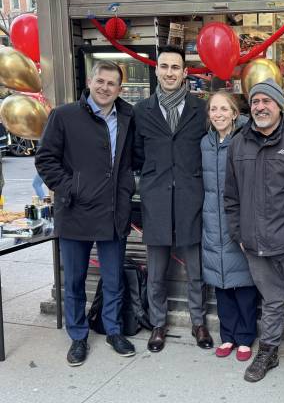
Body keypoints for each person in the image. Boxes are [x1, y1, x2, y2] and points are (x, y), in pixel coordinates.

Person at [35, 60, 136, 366]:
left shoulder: (129, 116)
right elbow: (46, 160)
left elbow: (133, 159)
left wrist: (126, 188)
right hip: (76, 212)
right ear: (91, 82)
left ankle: (114, 330)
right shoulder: (64, 116)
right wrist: (73, 188)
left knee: (113, 278)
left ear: (120, 89)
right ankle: (78, 336)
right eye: (101, 81)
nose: (105, 88)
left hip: (113, 212)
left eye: (112, 84)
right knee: (75, 280)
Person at [224, 78, 284, 387]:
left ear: (280, 105)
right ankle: (268, 352)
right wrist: (240, 233)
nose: (260, 106)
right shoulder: (239, 142)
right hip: (254, 244)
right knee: (270, 301)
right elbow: (231, 196)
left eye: (267, 101)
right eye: (255, 101)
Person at [133, 45, 213, 353]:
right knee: (157, 272)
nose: (169, 72)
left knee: (195, 271)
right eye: (164, 66)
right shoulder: (142, 110)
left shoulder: (200, 109)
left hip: (192, 199)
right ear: (156, 70)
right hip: (156, 201)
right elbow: (137, 155)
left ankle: (198, 322)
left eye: (175, 67)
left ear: (184, 72)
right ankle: (157, 324)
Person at [201, 91, 258, 362]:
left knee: (244, 283)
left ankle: (246, 337)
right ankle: (228, 335)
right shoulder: (204, 143)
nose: (218, 114)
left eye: (224, 109)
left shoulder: (246, 140)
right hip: (212, 221)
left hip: (239, 220)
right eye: (214, 109)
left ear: (235, 113)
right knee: (221, 283)